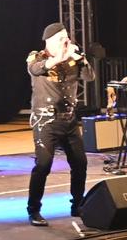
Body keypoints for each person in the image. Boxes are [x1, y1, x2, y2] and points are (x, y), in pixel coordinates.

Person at [22, 23, 94, 226]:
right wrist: (60, 58)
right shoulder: (37, 56)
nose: (67, 40)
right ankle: (33, 209)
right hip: (46, 121)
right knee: (43, 164)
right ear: (50, 40)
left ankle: (77, 204)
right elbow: (36, 70)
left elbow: (90, 77)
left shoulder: (73, 58)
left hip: (69, 120)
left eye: (67, 36)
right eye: (62, 37)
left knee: (80, 163)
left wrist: (80, 58)